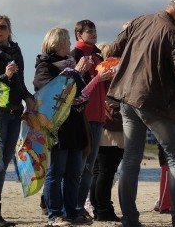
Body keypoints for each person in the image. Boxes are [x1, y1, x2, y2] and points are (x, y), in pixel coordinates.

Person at [107, 0, 175, 227]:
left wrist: (125, 31)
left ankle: (129, 219)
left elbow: (112, 50)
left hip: (126, 98)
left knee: (130, 159)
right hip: (153, 102)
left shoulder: (140, 20)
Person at [34, 27, 92, 226]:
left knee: (73, 173)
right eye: (67, 42)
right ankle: (54, 214)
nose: (69, 46)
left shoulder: (71, 64)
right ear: (57, 44)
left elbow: (81, 94)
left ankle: (72, 212)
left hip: (74, 125)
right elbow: (51, 92)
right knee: (55, 173)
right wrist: (75, 73)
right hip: (56, 128)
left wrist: (84, 77)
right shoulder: (44, 66)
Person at [0, 15, 36, 227]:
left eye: (2, 27)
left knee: (4, 162)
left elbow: (20, 80)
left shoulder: (15, 50)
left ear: (9, 29)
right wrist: (5, 76)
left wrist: (27, 96)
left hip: (15, 110)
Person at [71, 20, 107, 222]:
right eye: (89, 31)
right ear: (79, 35)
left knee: (89, 167)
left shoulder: (98, 54)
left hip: (98, 116)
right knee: (80, 165)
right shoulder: (75, 55)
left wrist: (108, 77)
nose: (93, 34)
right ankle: (73, 205)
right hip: (83, 116)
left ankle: (78, 205)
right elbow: (72, 86)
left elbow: (102, 86)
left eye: (95, 30)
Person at [88, 44, 123, 222]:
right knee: (106, 171)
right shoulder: (114, 70)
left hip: (100, 123)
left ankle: (98, 207)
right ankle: (103, 208)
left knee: (98, 171)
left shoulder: (97, 71)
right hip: (113, 127)